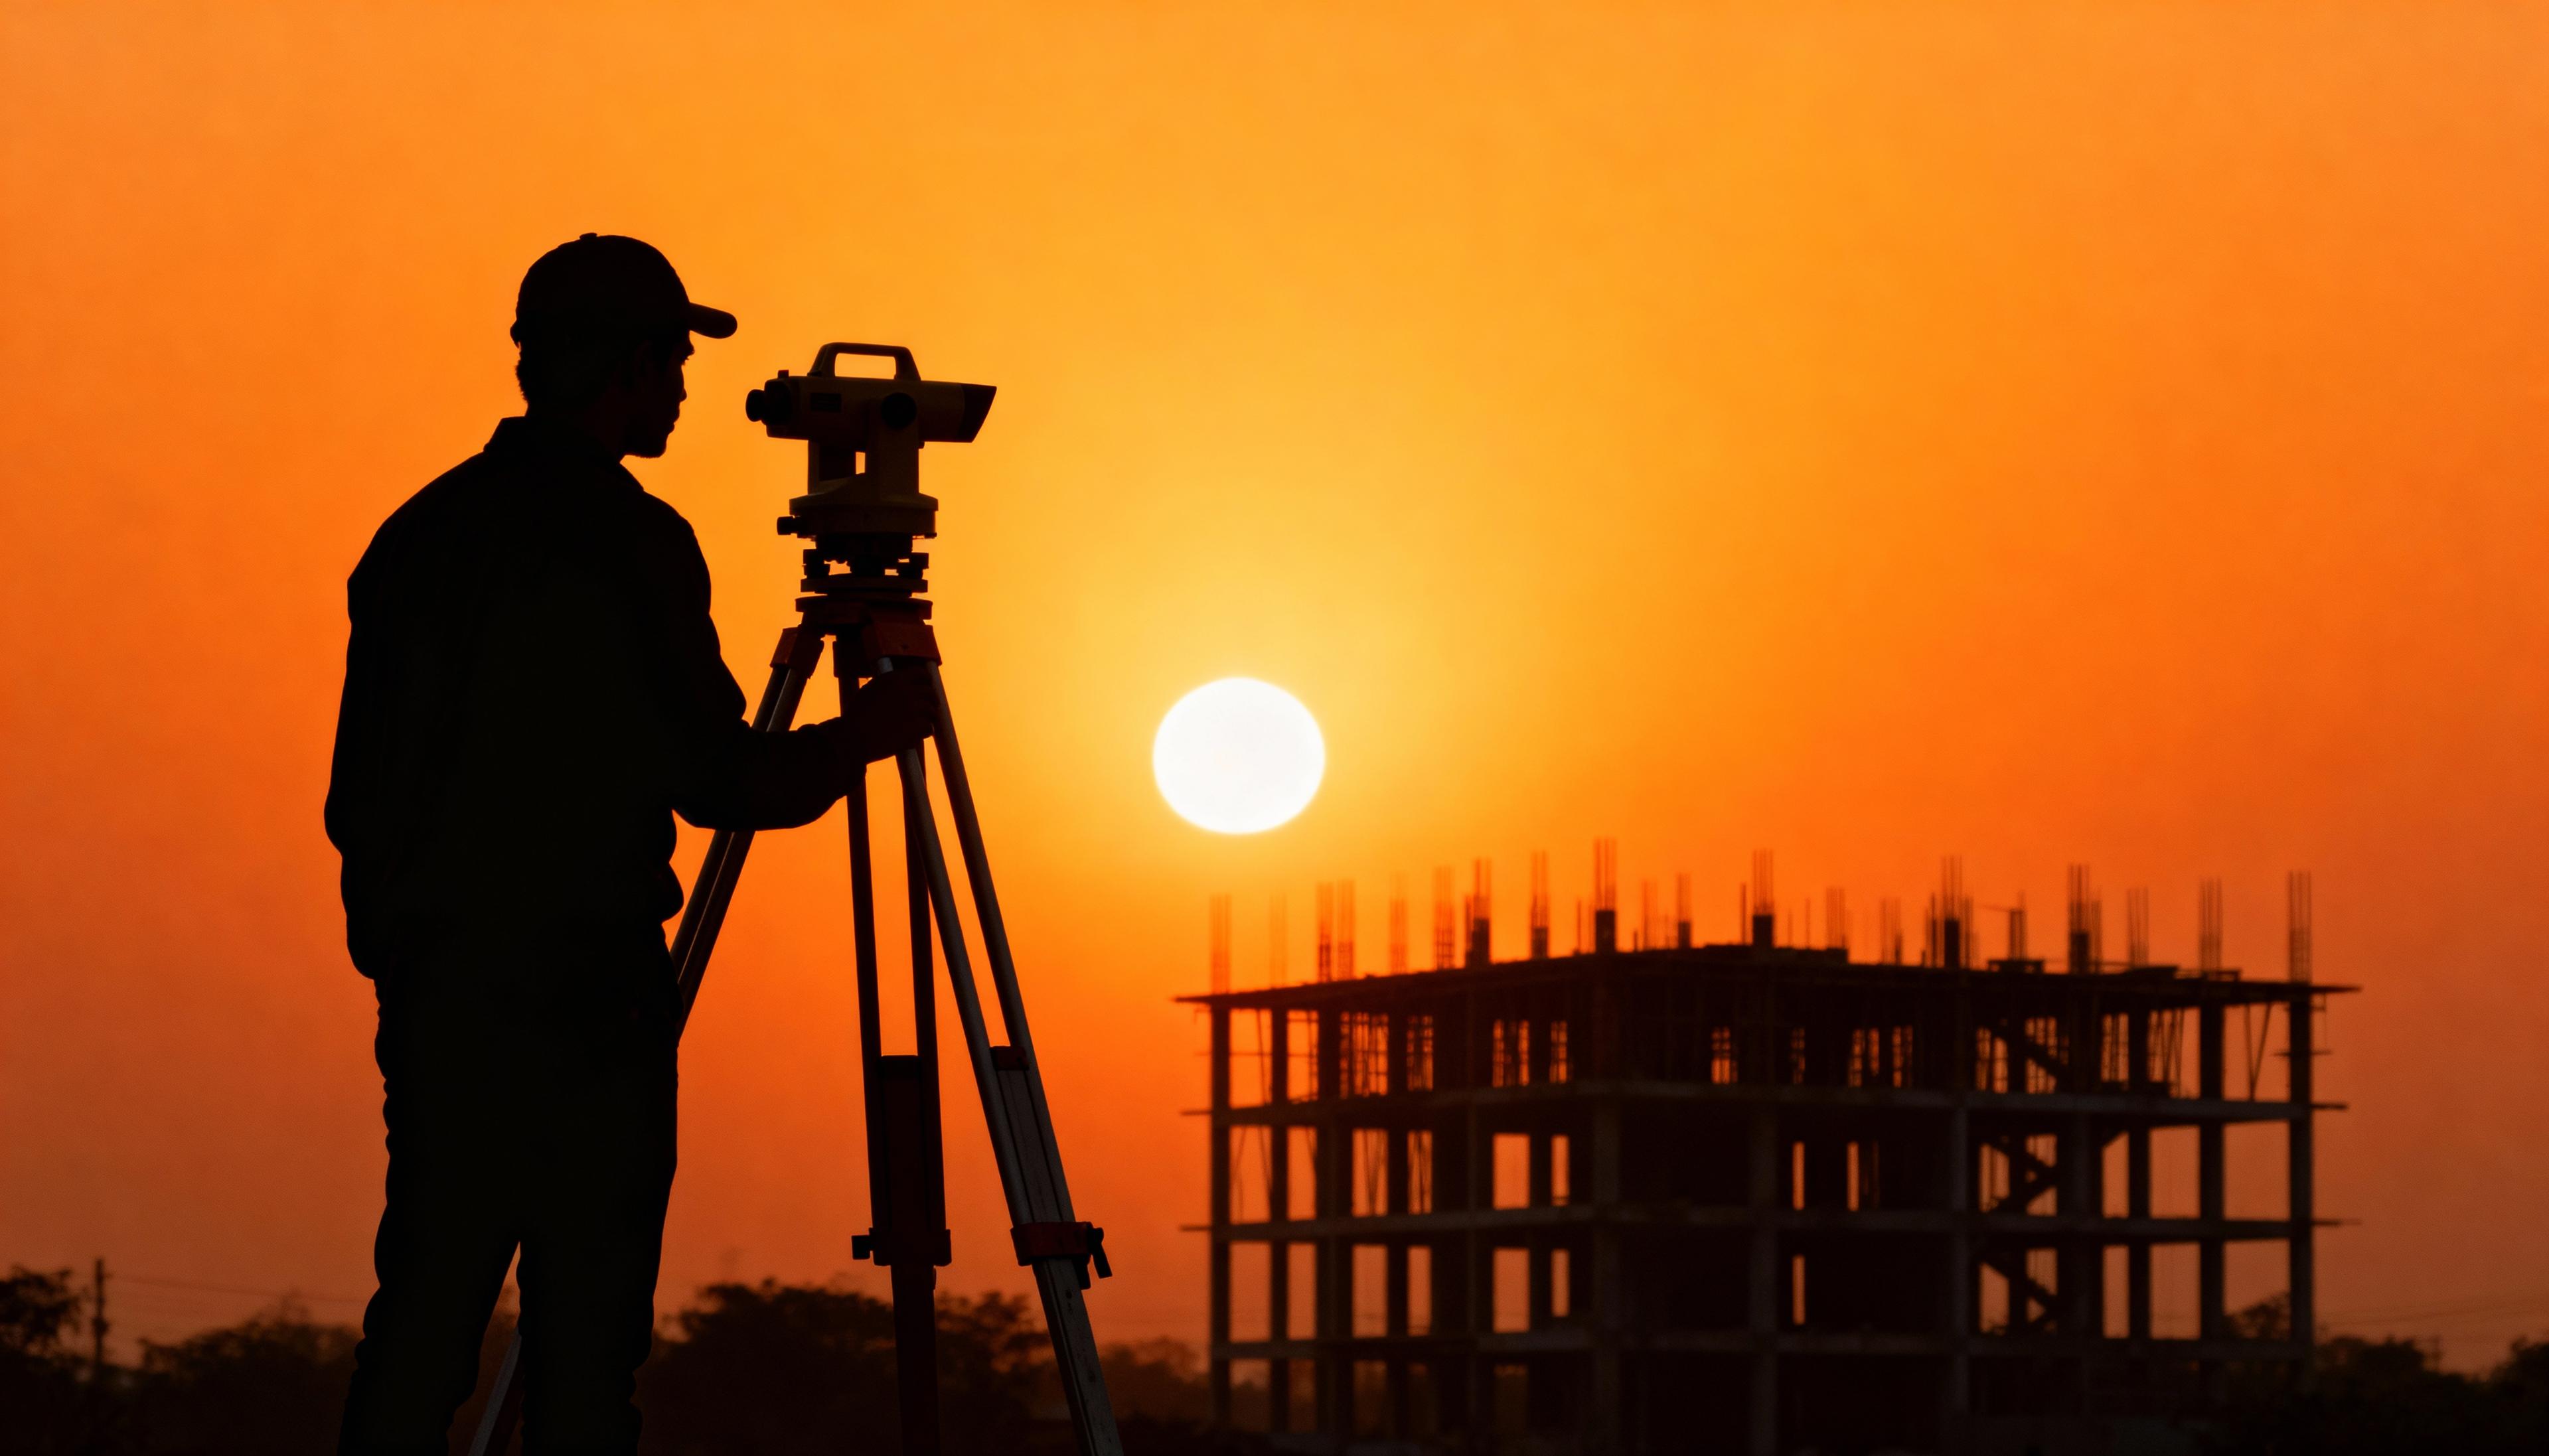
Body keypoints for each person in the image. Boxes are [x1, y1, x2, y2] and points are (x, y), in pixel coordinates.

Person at [324, 234, 931, 1453]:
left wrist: (408, 950)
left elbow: (360, 796)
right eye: (672, 363)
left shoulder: (417, 536)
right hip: (588, 997)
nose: (686, 392)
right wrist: (860, 737)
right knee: (587, 1361)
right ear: (629, 365)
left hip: (447, 997)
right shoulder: (634, 541)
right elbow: (718, 778)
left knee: (425, 1327)